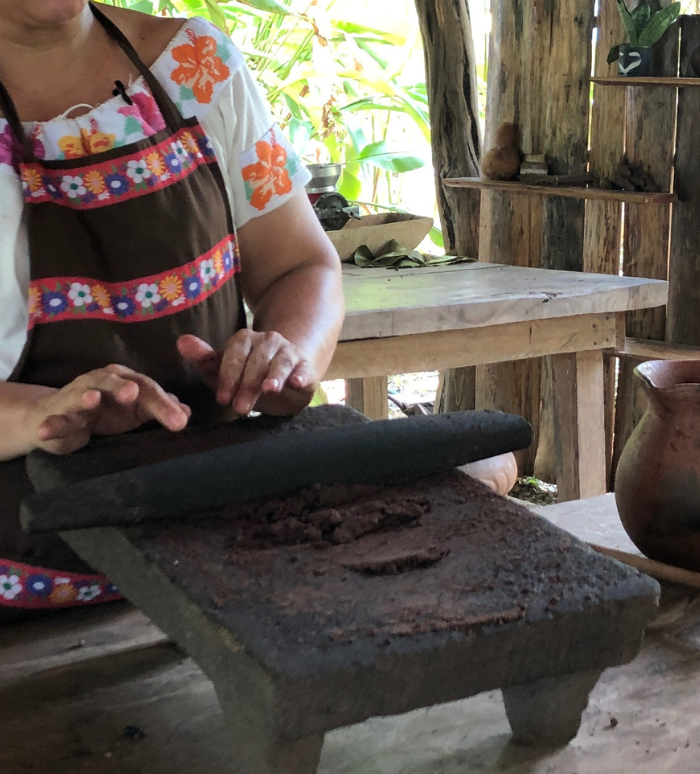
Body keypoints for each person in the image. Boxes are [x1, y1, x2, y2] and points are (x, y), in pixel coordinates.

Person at [0, 1, 515, 613]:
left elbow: (302, 265)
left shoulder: (195, 65)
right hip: (26, 583)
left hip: (224, 553)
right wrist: (45, 416)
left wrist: (285, 358)